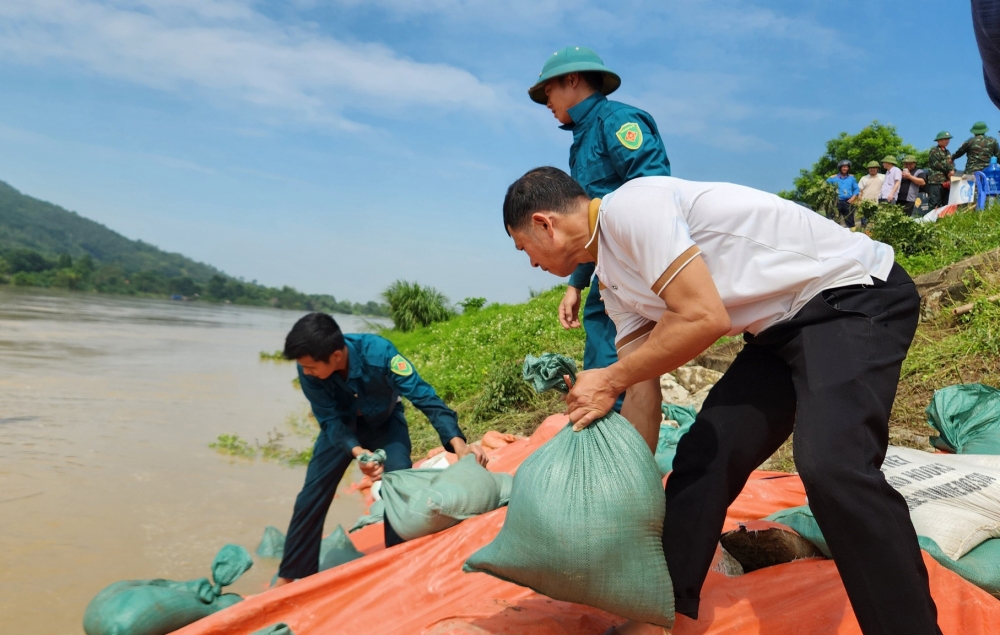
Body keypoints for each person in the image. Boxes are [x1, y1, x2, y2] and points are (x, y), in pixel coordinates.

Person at [503, 167, 940, 635]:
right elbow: (642, 391)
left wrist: (607, 379)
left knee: (834, 466)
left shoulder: (632, 207)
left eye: (523, 247)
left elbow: (703, 317)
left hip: (850, 295)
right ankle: (661, 615)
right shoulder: (612, 284)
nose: (529, 263)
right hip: (777, 331)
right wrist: (623, 483)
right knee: (703, 457)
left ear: (544, 224)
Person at [273, 313, 485, 587]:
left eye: (312, 367)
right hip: (341, 431)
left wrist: (458, 444)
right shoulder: (308, 368)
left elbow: (423, 395)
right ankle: (292, 574)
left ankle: (396, 559)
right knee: (311, 494)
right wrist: (358, 452)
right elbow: (330, 421)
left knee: (398, 482)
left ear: (336, 355)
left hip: (385, 422)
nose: (307, 372)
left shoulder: (380, 353)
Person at [529, 46, 671, 410]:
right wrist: (577, 283)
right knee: (609, 349)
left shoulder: (619, 122)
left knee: (615, 358)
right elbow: (586, 224)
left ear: (572, 80)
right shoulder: (581, 141)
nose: (547, 102)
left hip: (631, 266)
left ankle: (613, 443)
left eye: (549, 91)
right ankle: (617, 440)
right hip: (607, 269)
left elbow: (652, 193)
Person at [826, 160, 860, 227]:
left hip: (848, 202)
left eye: (847, 167)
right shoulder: (833, 178)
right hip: (836, 202)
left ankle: (852, 235)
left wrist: (853, 198)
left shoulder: (851, 178)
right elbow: (825, 186)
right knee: (835, 221)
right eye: (843, 167)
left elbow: (856, 189)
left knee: (850, 221)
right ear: (840, 168)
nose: (845, 169)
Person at [927, 132, 955, 209]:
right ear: (939, 140)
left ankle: (943, 220)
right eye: (945, 139)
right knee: (934, 203)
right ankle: (931, 220)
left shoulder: (947, 152)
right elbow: (938, 164)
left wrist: (953, 171)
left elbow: (952, 163)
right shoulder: (934, 151)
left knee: (946, 203)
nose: (947, 141)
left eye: (948, 139)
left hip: (946, 182)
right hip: (936, 181)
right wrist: (950, 171)